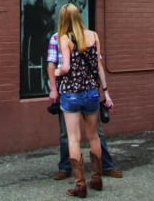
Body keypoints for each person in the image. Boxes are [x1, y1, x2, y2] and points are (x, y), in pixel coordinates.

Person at [54, 3, 113, 197]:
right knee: (94, 136)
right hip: (91, 93)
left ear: (63, 19)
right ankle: (96, 179)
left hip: (71, 93)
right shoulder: (94, 36)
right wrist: (106, 92)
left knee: (73, 138)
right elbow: (99, 67)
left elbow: (66, 68)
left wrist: (55, 71)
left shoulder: (64, 38)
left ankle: (80, 185)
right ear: (79, 16)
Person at [47, 28, 121, 181]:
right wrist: (54, 88)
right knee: (69, 134)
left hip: (78, 92)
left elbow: (98, 63)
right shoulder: (57, 37)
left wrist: (105, 91)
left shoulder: (88, 36)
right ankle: (65, 167)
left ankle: (104, 167)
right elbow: (51, 64)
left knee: (92, 133)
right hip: (70, 91)